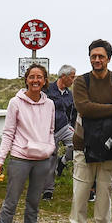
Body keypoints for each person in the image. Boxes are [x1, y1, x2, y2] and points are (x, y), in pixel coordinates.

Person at [65, 40, 112, 223]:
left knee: (105, 190)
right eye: (93, 56)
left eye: (101, 56)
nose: (97, 60)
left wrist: (99, 109)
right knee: (81, 189)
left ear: (109, 58)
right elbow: (84, 108)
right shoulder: (82, 81)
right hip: (84, 143)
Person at [0, 64, 55, 223]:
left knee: (34, 201)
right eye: (32, 77)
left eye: (39, 77)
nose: (35, 80)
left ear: (45, 81)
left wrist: (50, 148)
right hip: (20, 158)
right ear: (26, 79)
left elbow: (50, 130)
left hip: (43, 159)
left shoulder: (50, 104)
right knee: (11, 201)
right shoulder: (15, 102)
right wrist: (1, 158)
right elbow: (8, 132)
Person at [43, 65, 77, 202]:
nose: (73, 80)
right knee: (50, 160)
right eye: (72, 77)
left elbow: (73, 113)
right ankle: (48, 191)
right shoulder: (47, 90)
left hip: (64, 127)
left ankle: (62, 161)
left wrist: (73, 127)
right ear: (64, 76)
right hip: (48, 130)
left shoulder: (70, 94)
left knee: (79, 144)